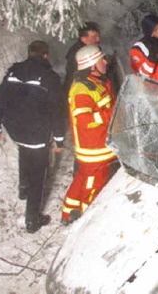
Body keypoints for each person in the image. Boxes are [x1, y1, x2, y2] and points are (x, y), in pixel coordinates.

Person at [0, 41, 66, 233]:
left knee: (24, 150)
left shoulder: (13, 72)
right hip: (37, 132)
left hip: (15, 129)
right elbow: (57, 110)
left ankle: (23, 188)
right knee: (38, 174)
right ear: (46, 55)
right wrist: (59, 139)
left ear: (29, 53)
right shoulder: (50, 78)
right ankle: (32, 219)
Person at [62, 45, 119, 224]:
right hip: (94, 150)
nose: (104, 62)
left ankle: (68, 212)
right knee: (93, 187)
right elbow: (85, 120)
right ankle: (87, 222)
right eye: (100, 60)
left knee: (81, 180)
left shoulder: (96, 83)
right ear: (91, 66)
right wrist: (114, 114)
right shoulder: (82, 89)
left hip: (98, 145)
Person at [130, 14, 158, 84]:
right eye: (155, 30)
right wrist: (150, 61)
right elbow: (140, 76)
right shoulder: (138, 49)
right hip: (153, 92)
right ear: (149, 30)